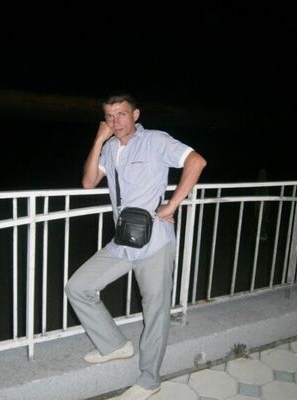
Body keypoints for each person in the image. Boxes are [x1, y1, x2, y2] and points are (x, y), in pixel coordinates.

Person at [65, 94, 207, 400]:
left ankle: (149, 381)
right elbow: (88, 182)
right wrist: (99, 140)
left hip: (155, 241)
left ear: (135, 114)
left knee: (155, 311)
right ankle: (115, 345)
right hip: (123, 240)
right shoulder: (110, 148)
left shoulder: (155, 141)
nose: (115, 121)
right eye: (110, 116)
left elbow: (196, 161)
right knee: (78, 287)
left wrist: (172, 204)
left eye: (121, 114)